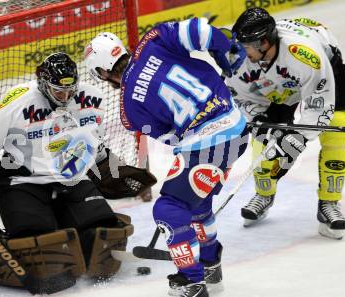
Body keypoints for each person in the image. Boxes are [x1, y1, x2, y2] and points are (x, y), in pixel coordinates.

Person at [0, 52, 155, 294]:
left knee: (104, 242)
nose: (65, 98)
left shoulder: (88, 98)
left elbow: (92, 139)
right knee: (42, 256)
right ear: (44, 85)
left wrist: (106, 166)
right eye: (58, 92)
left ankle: (63, 229)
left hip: (71, 180)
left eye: (69, 91)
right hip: (22, 183)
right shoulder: (20, 99)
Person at [84, 18, 248, 297]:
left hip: (209, 145)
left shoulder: (128, 111)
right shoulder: (153, 40)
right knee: (195, 205)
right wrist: (226, 50)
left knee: (169, 210)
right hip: (236, 126)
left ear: (102, 72)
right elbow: (201, 30)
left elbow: (173, 137)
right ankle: (209, 263)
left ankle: (191, 282)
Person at [226, 8, 345, 239]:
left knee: (337, 129)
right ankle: (264, 194)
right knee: (264, 135)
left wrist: (298, 137)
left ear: (264, 42)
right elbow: (239, 96)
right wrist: (259, 119)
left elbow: (319, 105)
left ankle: (329, 203)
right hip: (277, 79)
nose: (242, 52)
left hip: (324, 69)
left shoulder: (304, 56)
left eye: (247, 46)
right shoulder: (240, 59)